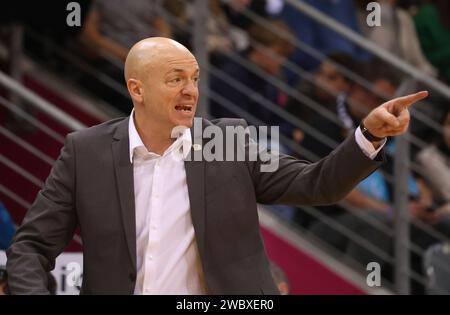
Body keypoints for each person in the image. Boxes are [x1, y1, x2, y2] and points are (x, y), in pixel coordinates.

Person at [6, 37, 428, 295]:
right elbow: (31, 248)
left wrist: (368, 134)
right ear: (136, 89)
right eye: (175, 79)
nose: (190, 90)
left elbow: (316, 183)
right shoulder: (86, 151)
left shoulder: (223, 142)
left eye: (194, 78)